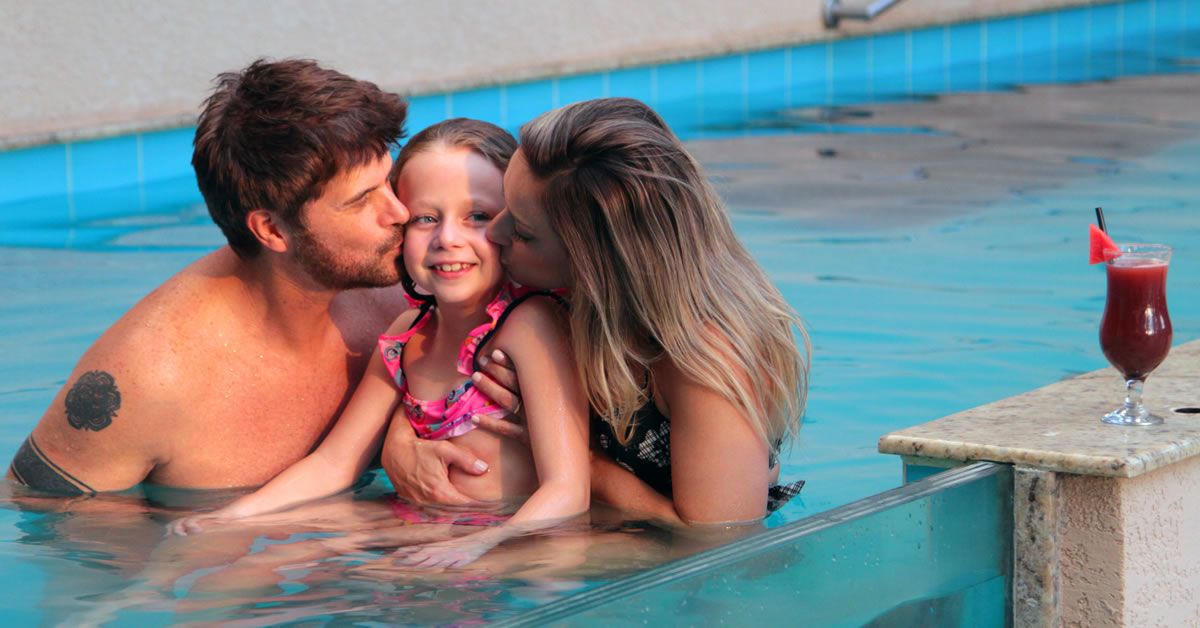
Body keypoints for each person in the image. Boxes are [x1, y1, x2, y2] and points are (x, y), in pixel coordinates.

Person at [6, 59, 516, 495]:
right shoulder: (146, 380)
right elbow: (53, 534)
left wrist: (403, 432)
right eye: (363, 200)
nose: (402, 212)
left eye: (388, 181)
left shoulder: (408, 283)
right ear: (272, 229)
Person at [170, 119, 590, 569]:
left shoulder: (528, 325)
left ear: (514, 225)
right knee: (259, 563)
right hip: (418, 532)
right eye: (426, 219)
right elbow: (334, 463)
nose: (448, 239)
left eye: (478, 217)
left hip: (503, 549)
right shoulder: (405, 334)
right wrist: (233, 515)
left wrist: (483, 546)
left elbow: (567, 489)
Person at [385, 97, 810, 525]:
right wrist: (400, 443)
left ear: (593, 263)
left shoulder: (708, 359)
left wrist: (577, 461)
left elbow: (718, 537)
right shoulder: (550, 299)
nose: (496, 231)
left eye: (524, 232)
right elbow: (431, 361)